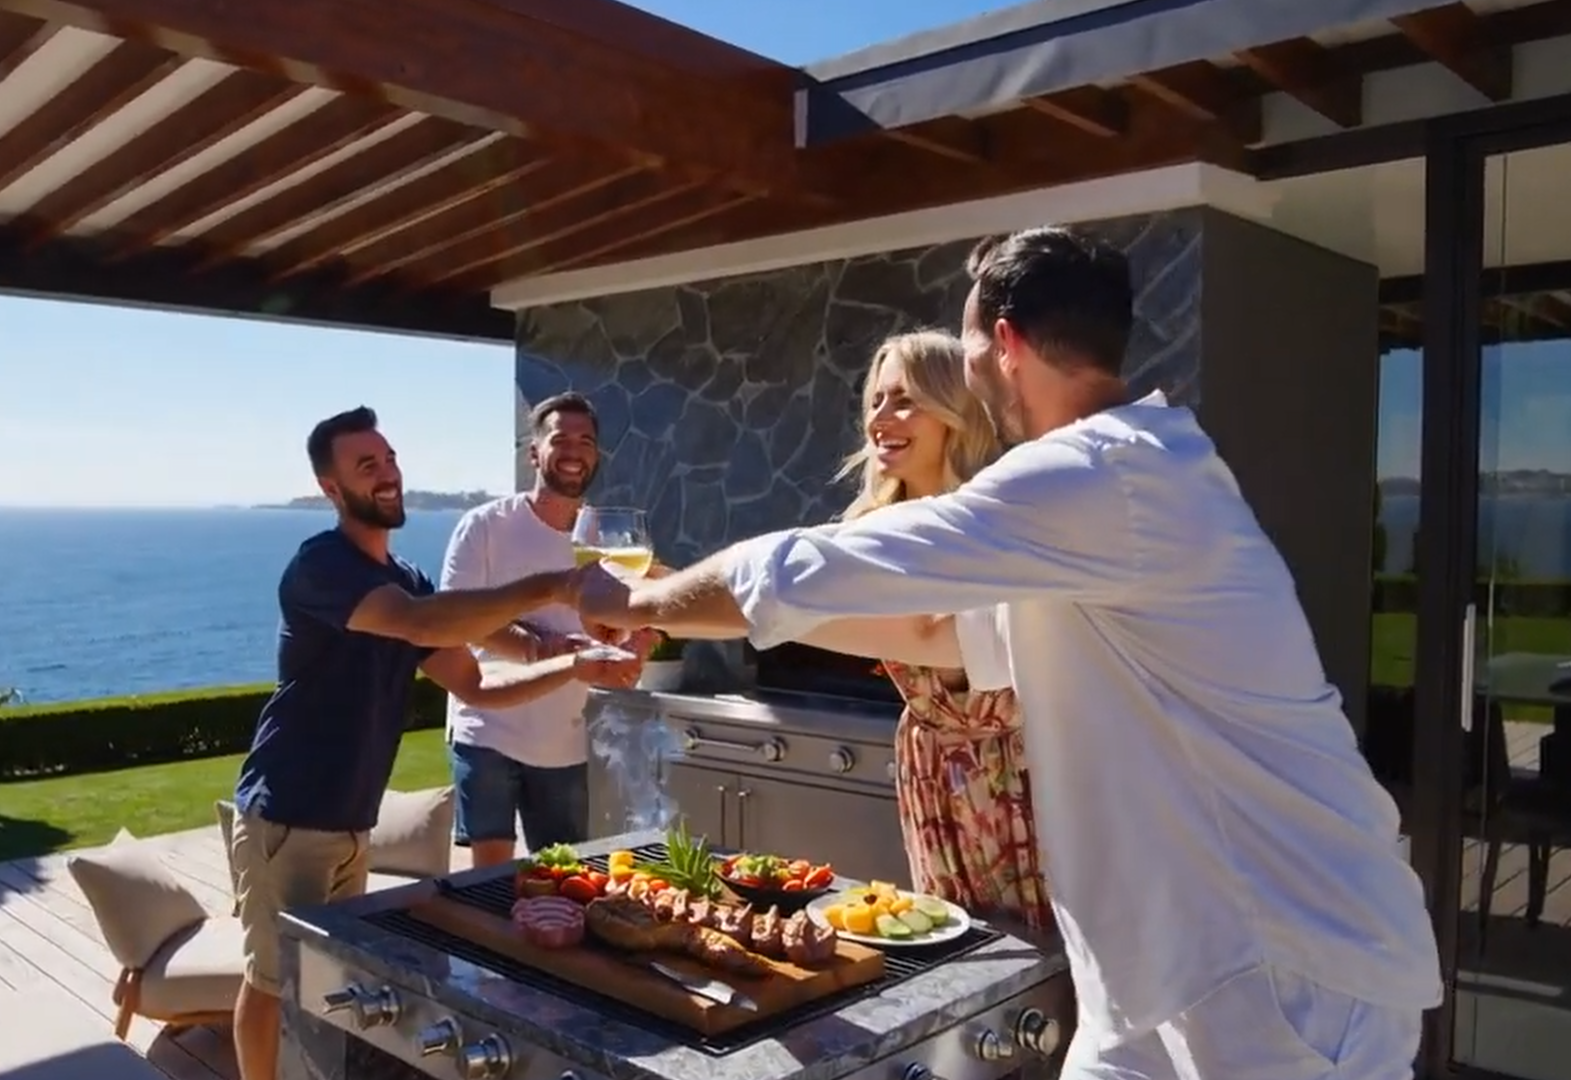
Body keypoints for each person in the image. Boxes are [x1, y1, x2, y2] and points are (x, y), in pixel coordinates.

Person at [566, 227, 1443, 1079]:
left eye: (969, 346)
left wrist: (636, 601)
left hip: (1283, 962)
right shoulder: (1127, 481)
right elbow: (939, 633)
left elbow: (812, 567)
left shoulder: (1100, 473)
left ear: (1007, 343)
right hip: (1161, 968)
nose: (969, 370)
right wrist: (689, 600)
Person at [230, 405, 642, 1080]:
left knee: (329, 975)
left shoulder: (406, 579)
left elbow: (476, 684)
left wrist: (574, 665)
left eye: (390, 458)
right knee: (274, 978)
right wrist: (556, 584)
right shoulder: (322, 566)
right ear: (331, 488)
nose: (388, 473)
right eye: (367, 465)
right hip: (288, 817)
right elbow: (421, 623)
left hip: (349, 821)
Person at [792, 329, 1047, 931]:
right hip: (929, 762)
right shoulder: (869, 531)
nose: (880, 418)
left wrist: (745, 609)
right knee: (949, 938)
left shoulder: (994, 525)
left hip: (1017, 769)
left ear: (954, 410)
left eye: (905, 401)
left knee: (1038, 953)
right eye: (876, 400)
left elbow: (939, 641)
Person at [440, 392, 656, 867]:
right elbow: (458, 621)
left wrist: (637, 641)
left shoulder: (608, 539)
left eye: (586, 441)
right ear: (535, 453)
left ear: (596, 456)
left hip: (563, 739)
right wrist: (545, 648)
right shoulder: (485, 526)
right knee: (491, 880)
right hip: (486, 728)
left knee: (563, 875)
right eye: (561, 439)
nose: (574, 451)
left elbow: (640, 610)